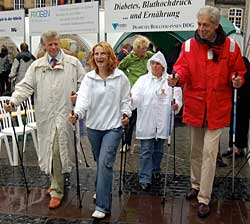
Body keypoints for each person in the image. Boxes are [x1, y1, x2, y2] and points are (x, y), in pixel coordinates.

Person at [167, 6, 246, 218]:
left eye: (206, 25)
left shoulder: (230, 47)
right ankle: (195, 183)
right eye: (199, 24)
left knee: (210, 154)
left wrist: (237, 80)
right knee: (195, 151)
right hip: (195, 106)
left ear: (216, 26)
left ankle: (204, 197)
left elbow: (238, 70)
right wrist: (177, 78)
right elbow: (182, 68)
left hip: (218, 109)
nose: (201, 29)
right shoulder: (189, 46)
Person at [4, 31, 85, 209]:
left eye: (56, 43)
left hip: (65, 115)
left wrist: (78, 96)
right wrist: (14, 100)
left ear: (59, 43)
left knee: (58, 149)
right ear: (44, 46)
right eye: (50, 45)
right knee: (49, 149)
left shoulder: (73, 63)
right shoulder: (37, 66)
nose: (54, 47)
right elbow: (25, 85)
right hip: (46, 115)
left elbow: (84, 84)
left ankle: (57, 190)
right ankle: (54, 181)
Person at [68, 41, 131, 219]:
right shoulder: (89, 78)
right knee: (100, 162)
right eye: (96, 54)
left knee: (105, 163)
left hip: (113, 127)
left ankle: (102, 206)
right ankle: (101, 189)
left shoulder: (120, 78)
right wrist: (77, 114)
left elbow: (126, 100)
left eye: (103, 53)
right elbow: (83, 100)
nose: (99, 57)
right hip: (94, 128)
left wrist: (126, 113)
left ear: (110, 56)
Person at [131, 51, 182, 190]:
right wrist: (130, 100)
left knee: (159, 150)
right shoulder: (142, 80)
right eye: (152, 63)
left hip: (162, 121)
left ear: (163, 66)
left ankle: (155, 170)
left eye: (157, 63)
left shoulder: (170, 81)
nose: (154, 66)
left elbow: (177, 97)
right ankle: (144, 178)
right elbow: (135, 96)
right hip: (147, 120)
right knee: (146, 150)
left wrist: (176, 105)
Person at [119, 36, 154, 152]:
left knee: (147, 118)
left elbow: (158, 63)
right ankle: (126, 143)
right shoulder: (130, 58)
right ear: (137, 48)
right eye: (142, 49)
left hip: (146, 91)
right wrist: (128, 78)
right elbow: (120, 68)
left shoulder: (149, 56)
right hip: (134, 91)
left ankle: (148, 143)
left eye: (146, 48)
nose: (144, 51)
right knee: (131, 119)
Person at [222, 56, 250, 158]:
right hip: (234, 98)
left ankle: (239, 149)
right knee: (233, 124)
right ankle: (231, 147)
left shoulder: (243, 62)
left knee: (241, 124)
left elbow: (245, 78)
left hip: (243, 99)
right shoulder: (231, 64)